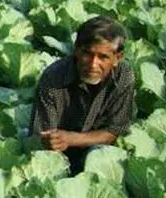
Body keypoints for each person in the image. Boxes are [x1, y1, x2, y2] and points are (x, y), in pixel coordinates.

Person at [30, 16, 135, 173]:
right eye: (87, 53)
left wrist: (71, 139)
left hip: (99, 152)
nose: (93, 64)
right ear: (76, 50)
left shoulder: (123, 77)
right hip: (57, 156)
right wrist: (52, 140)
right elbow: (44, 136)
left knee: (101, 157)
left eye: (103, 57)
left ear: (117, 58)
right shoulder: (53, 77)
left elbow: (115, 130)